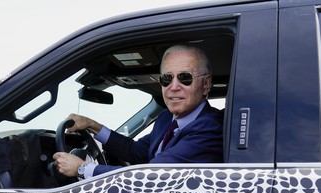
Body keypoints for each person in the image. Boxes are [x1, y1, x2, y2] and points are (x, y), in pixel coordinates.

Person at [52, 45, 223, 179]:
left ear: (206, 84)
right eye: (167, 78)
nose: (174, 87)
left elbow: (150, 176)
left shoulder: (210, 128)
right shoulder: (166, 119)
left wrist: (82, 169)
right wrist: (92, 126)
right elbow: (135, 151)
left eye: (185, 77)